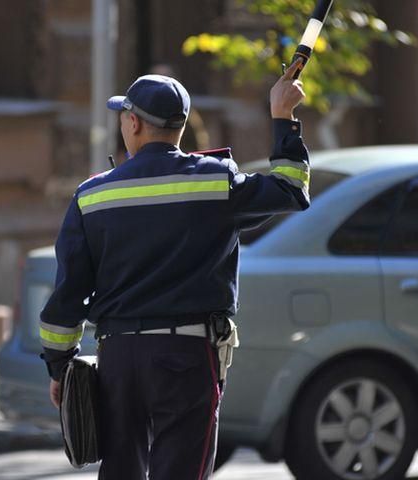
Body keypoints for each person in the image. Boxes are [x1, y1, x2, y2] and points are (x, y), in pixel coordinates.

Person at [40, 59, 309, 480]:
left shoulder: (92, 197)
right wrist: (282, 116)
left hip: (119, 361)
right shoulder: (217, 182)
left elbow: (67, 297)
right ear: (180, 127)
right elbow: (291, 188)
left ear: (132, 123)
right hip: (188, 357)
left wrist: (60, 366)